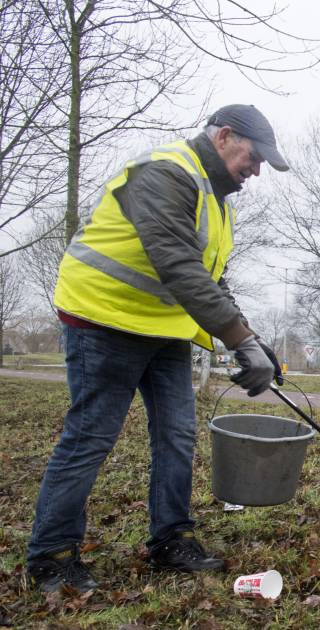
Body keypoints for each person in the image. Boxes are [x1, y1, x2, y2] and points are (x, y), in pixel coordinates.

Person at [27, 104, 291, 593]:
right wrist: (238, 340)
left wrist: (250, 340)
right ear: (225, 137)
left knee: (177, 433)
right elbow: (177, 266)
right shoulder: (166, 173)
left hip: (162, 328)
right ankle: (52, 555)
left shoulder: (216, 202)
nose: (256, 171)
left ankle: (170, 538)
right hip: (102, 317)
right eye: (254, 158)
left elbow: (212, 281)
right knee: (91, 437)